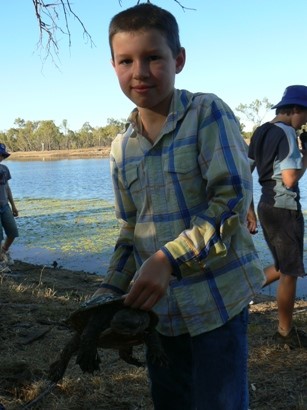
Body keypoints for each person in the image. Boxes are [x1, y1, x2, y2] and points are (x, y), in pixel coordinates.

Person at [94, 4, 265, 409]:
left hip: (216, 305)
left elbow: (231, 201)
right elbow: (129, 226)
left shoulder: (207, 113)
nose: (139, 71)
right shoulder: (121, 147)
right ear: (113, 65)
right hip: (161, 317)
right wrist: (109, 289)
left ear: (179, 59)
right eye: (126, 60)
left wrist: (167, 259)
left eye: (153, 57)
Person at [248, 85, 307, 349]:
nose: (304, 121)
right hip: (284, 209)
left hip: (265, 205)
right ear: (295, 110)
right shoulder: (286, 133)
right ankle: (285, 333)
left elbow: (243, 172)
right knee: (290, 272)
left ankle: (243, 291)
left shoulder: (261, 131)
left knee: (283, 265)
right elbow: (290, 178)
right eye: (305, 115)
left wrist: (249, 209)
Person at [0, 143, 19, 268]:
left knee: (13, 232)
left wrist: (13, 206)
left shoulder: (4, 169)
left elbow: (7, 188)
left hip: (5, 206)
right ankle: (1, 263)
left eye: (2, 154)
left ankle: (4, 251)